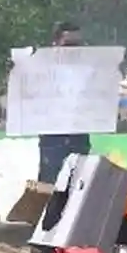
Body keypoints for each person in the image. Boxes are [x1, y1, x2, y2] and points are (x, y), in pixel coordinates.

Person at [36, 22, 92, 183]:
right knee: (48, 186)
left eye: (78, 44)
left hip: (79, 137)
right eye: (69, 44)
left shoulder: (89, 72)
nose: (74, 50)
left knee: (77, 189)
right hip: (53, 139)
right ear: (55, 45)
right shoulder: (41, 71)